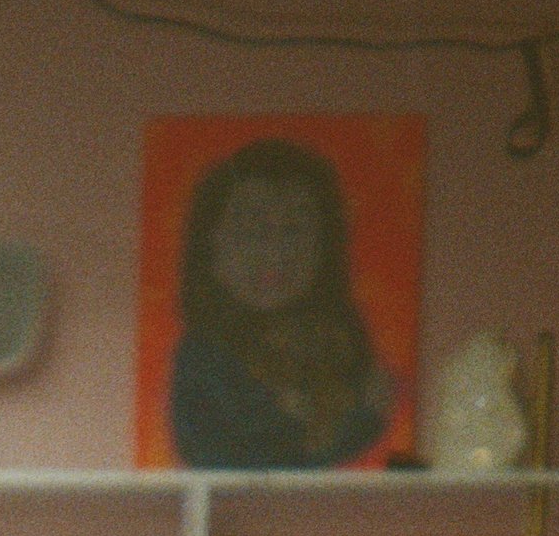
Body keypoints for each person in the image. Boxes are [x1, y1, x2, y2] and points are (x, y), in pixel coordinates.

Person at [167, 133, 395, 472]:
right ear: (211, 246)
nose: (274, 254)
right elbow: (239, 463)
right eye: (251, 232)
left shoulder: (339, 337)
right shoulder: (205, 357)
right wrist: (360, 424)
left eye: (294, 230)